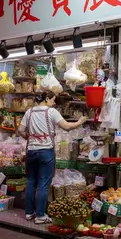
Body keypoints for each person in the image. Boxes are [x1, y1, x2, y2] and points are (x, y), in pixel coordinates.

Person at [18, 91, 86, 224]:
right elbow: (66, 127)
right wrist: (80, 121)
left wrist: (30, 138)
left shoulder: (29, 112)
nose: (54, 103)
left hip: (31, 151)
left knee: (31, 181)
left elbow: (20, 130)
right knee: (43, 184)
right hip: (45, 151)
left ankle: (28, 213)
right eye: (53, 100)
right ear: (47, 99)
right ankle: (40, 216)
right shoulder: (51, 112)